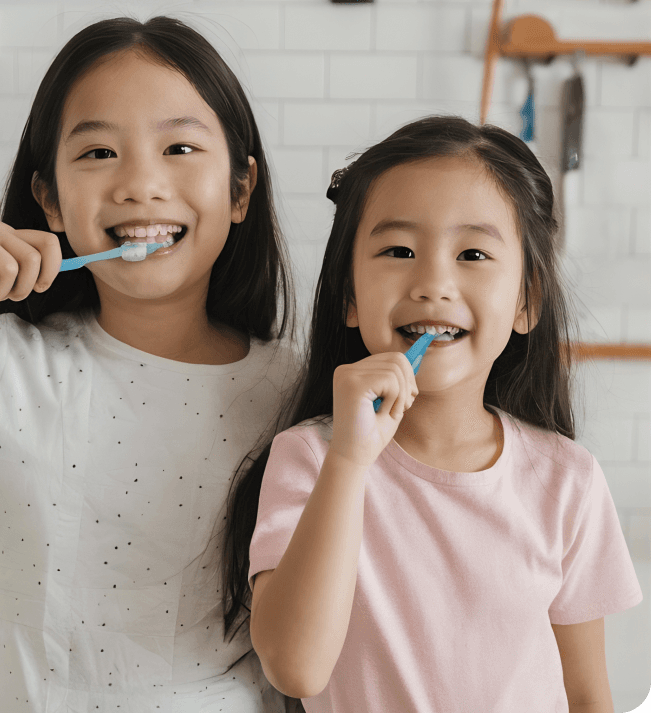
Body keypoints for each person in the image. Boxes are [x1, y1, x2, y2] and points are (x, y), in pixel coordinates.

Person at [0, 16, 305, 713]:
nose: (139, 184)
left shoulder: (299, 395)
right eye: (99, 152)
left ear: (241, 189)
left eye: (180, 147)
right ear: (49, 198)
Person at [224, 116, 643, 712]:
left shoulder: (566, 480)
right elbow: (296, 668)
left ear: (526, 302)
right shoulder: (312, 459)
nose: (433, 282)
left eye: (472, 253)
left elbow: (587, 697)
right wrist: (349, 460)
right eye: (399, 250)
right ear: (349, 296)